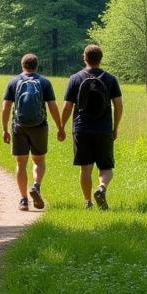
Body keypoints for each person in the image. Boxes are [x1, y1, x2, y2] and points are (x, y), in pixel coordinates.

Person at [60, 44, 123, 210]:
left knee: (85, 168)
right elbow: (118, 105)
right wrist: (115, 127)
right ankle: (101, 188)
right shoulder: (110, 79)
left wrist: (61, 126)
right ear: (100, 59)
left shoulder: (75, 78)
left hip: (81, 129)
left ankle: (87, 202)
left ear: (84, 58)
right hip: (103, 129)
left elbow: (67, 106)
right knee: (106, 167)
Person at [1, 53, 63, 212]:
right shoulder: (44, 82)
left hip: (19, 126)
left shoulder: (13, 82)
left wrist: (5, 129)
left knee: (21, 163)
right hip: (39, 126)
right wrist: (60, 127)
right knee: (39, 160)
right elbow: (52, 107)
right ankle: (36, 186)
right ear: (36, 65)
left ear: (22, 65)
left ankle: (23, 200)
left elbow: (6, 107)